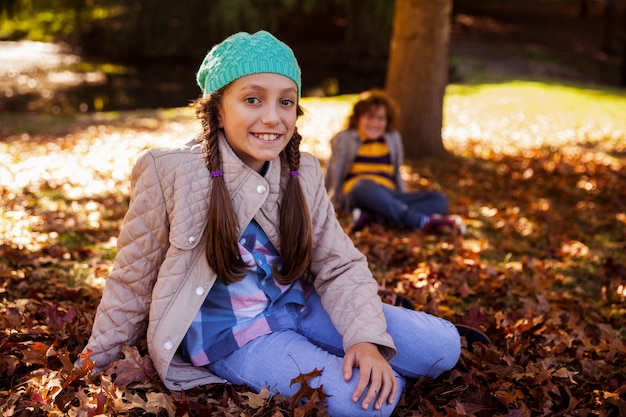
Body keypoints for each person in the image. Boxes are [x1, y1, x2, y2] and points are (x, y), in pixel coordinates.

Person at [77, 31, 462, 417]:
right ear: (216, 108)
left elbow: (338, 264)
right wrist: (95, 363)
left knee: (445, 346)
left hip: (301, 306)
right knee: (369, 404)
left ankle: (357, 357)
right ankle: (364, 372)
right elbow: (132, 278)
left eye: (286, 102)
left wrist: (364, 338)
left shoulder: (302, 170)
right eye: (252, 99)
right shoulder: (169, 171)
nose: (272, 117)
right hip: (234, 335)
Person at [325, 89, 466, 234]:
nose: (374, 123)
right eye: (369, 117)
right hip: (358, 194)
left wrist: (399, 194)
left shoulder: (392, 138)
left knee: (438, 200)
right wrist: (331, 201)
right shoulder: (345, 139)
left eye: (381, 118)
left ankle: (374, 218)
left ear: (387, 121)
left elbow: (396, 171)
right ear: (357, 118)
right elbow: (334, 170)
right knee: (364, 186)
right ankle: (422, 221)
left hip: (389, 195)